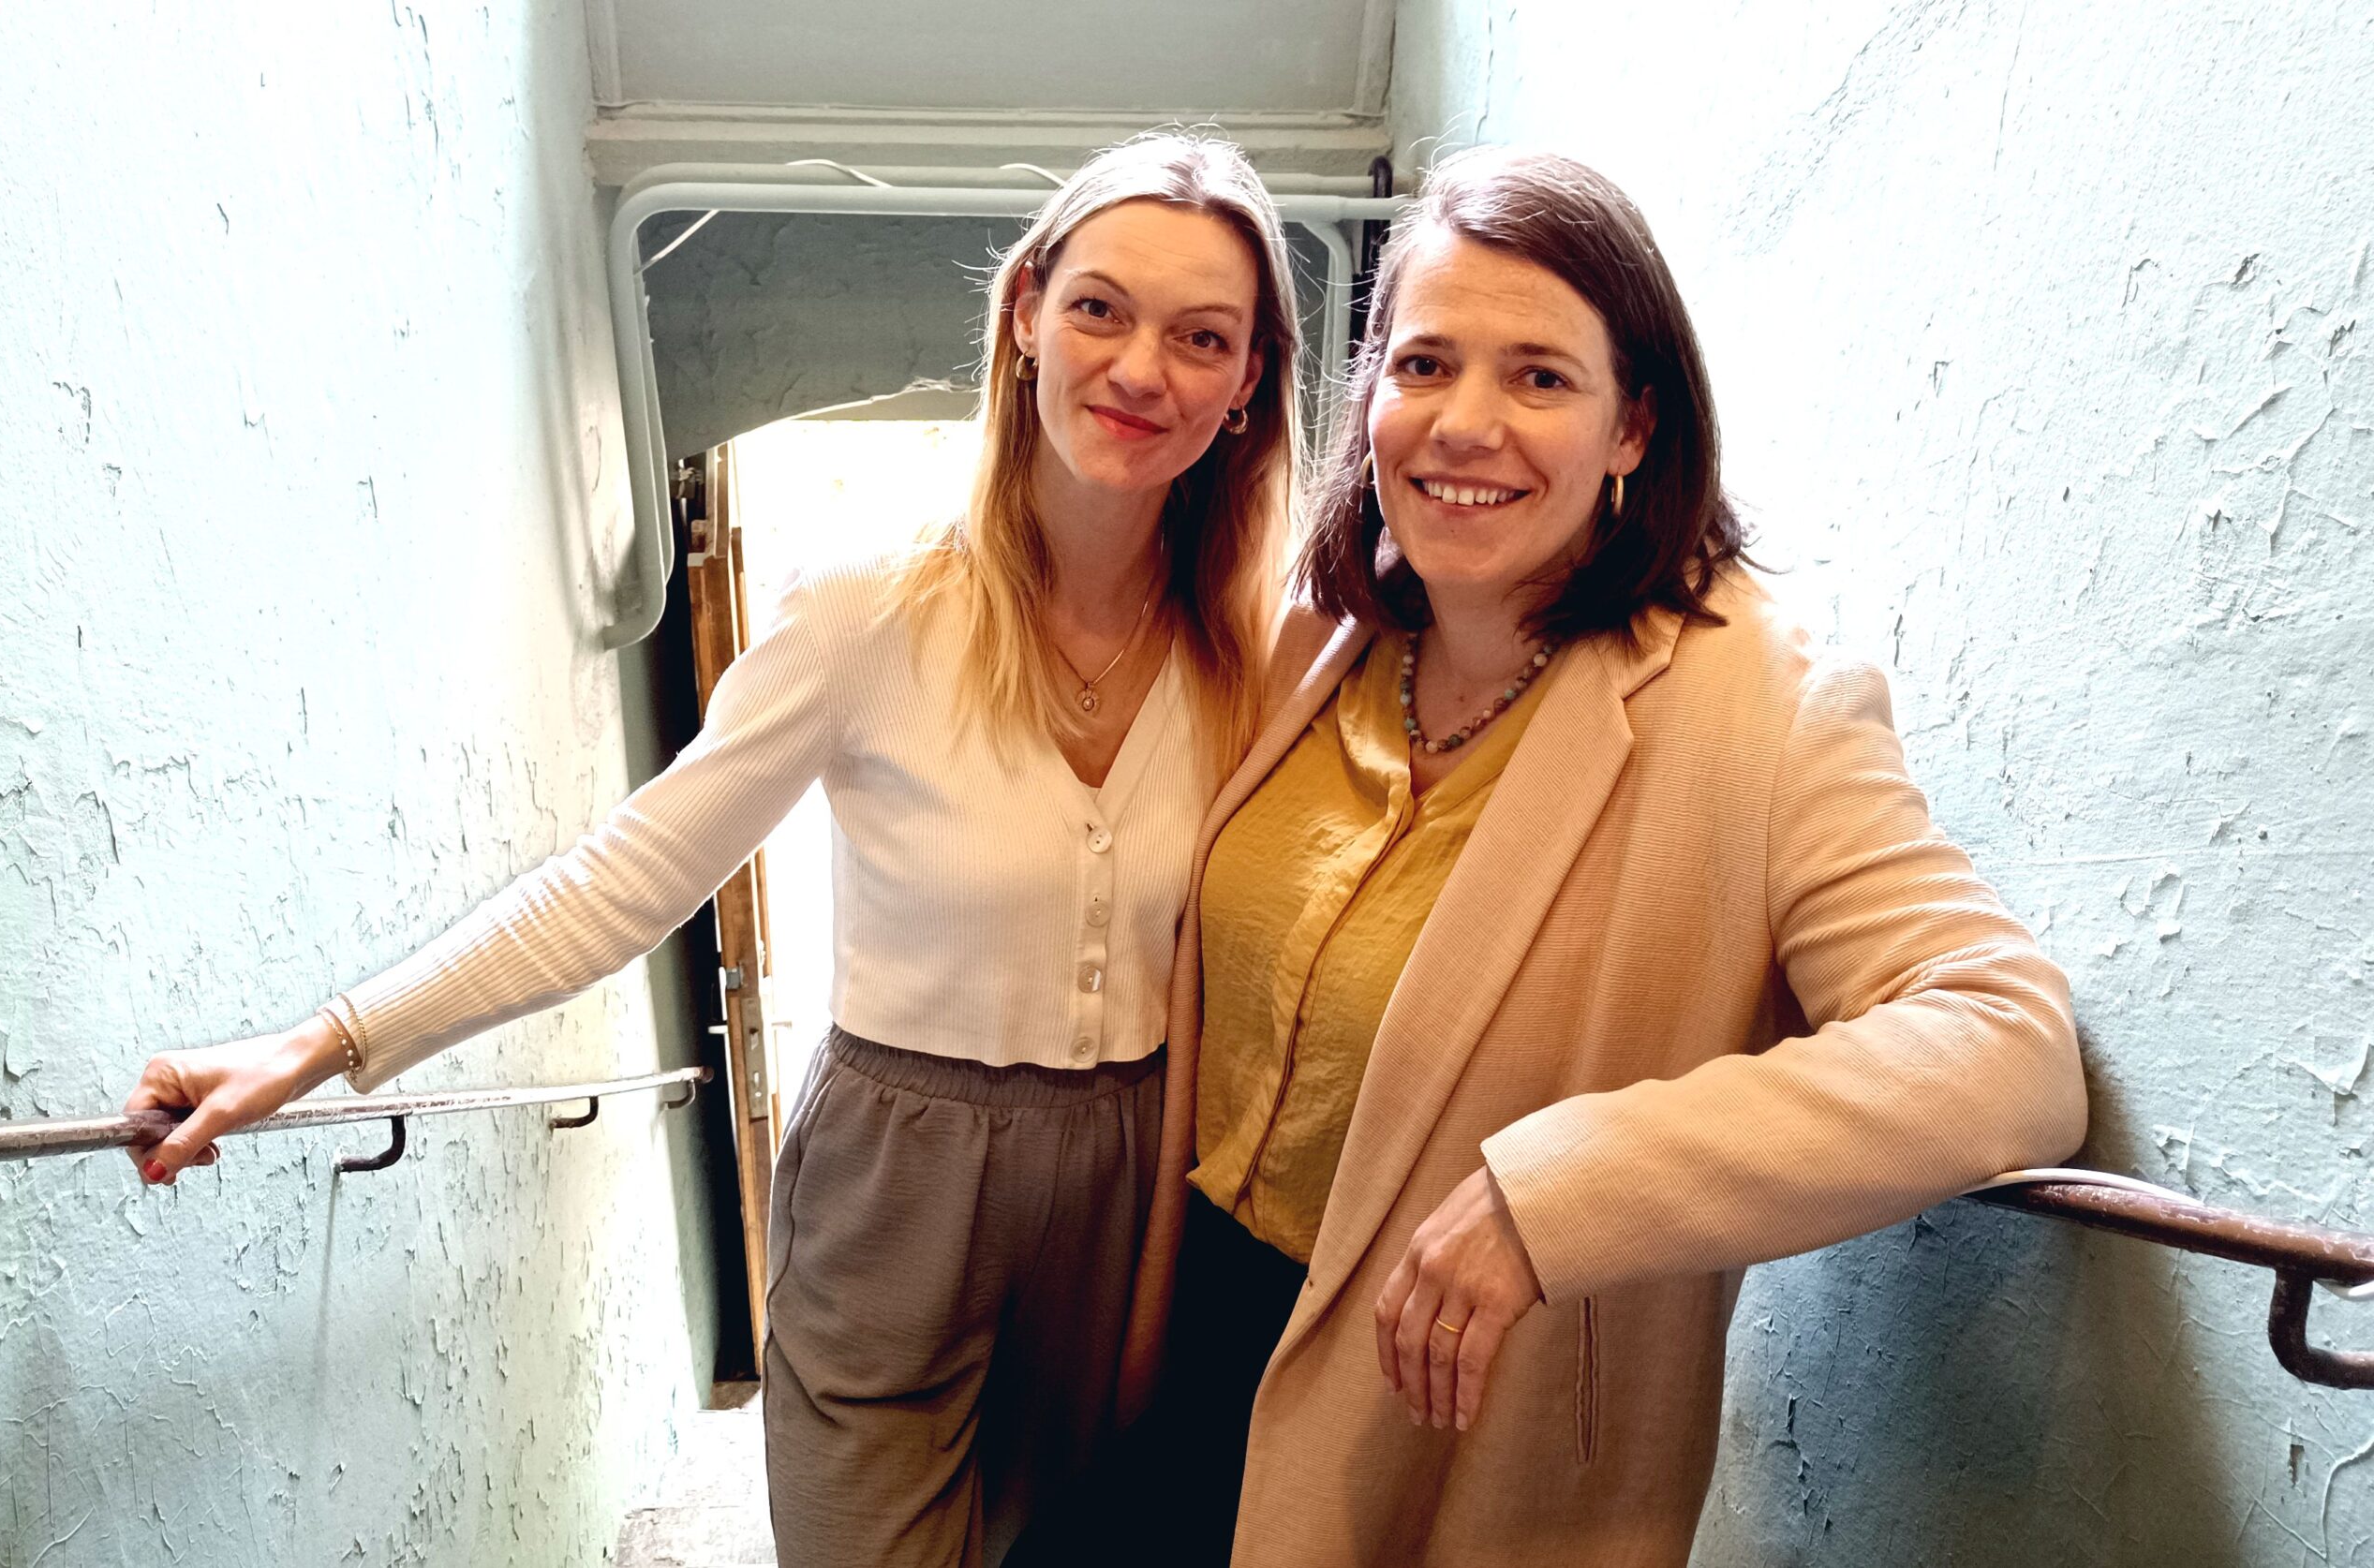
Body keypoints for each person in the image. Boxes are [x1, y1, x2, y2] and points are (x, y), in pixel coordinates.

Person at [119, 131, 1305, 1568]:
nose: (1141, 368)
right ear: (1025, 315)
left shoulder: (1266, 652)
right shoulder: (868, 613)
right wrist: (322, 1042)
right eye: (1100, 308)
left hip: (1140, 1190)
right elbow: (628, 875)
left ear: (1249, 383)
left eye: (1202, 337)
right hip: (898, 1174)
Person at [1016, 145, 2089, 1566]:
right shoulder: (1323, 638)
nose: (1465, 425)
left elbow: (2008, 1044)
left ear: (1634, 425)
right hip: (1189, 1343)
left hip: (1445, 1408)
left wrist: (1563, 1191)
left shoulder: (1765, 709)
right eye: (1424, 365)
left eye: (1539, 377)